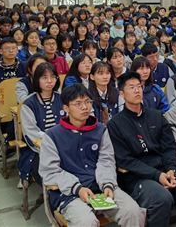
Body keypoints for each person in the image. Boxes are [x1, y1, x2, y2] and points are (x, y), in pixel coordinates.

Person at [39, 83, 145, 227]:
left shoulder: (100, 130)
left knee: (133, 212)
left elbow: (106, 160)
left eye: (87, 102)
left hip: (101, 187)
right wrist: (77, 188)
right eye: (78, 103)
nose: (85, 107)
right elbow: (50, 171)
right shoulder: (52, 136)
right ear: (66, 108)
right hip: (70, 194)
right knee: (86, 222)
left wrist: (107, 184)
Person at [107, 72, 176, 227]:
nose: (137, 90)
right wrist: (157, 175)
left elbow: (169, 148)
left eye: (139, 86)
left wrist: (171, 169)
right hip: (138, 177)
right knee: (162, 198)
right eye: (131, 87)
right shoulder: (115, 125)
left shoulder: (156, 116)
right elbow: (125, 161)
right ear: (121, 94)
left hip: (165, 168)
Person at [18, 63, 65, 188]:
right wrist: (51, 146)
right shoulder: (28, 104)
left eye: (53, 77)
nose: (49, 81)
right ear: (37, 80)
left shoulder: (63, 99)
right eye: (44, 77)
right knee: (48, 176)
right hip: (39, 149)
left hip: (64, 145)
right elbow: (31, 133)